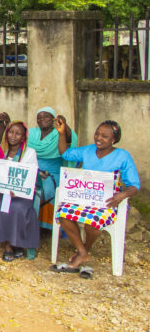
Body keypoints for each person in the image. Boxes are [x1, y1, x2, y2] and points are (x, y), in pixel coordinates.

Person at [51, 119, 140, 277]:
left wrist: (123, 194)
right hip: (84, 199)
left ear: (114, 139)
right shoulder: (88, 151)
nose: (99, 138)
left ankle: (84, 250)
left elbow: (134, 185)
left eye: (104, 136)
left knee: (93, 223)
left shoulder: (122, 156)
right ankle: (82, 252)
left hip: (108, 202)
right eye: (97, 134)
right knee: (63, 214)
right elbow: (65, 153)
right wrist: (61, 132)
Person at [5, 107, 78, 228]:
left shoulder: (59, 132)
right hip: (30, 169)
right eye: (39, 117)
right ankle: (24, 220)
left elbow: (70, 139)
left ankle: (42, 224)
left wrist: (65, 126)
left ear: (53, 119)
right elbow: (14, 139)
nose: (42, 119)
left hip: (52, 172)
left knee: (46, 189)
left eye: (46, 116)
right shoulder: (31, 133)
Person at [0, 120, 40, 261]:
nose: (13, 136)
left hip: (19, 194)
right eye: (10, 132)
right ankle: (9, 245)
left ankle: (17, 242)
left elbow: (30, 175)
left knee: (18, 208)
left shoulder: (29, 153)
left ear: (23, 137)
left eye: (18, 134)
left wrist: (17, 190)